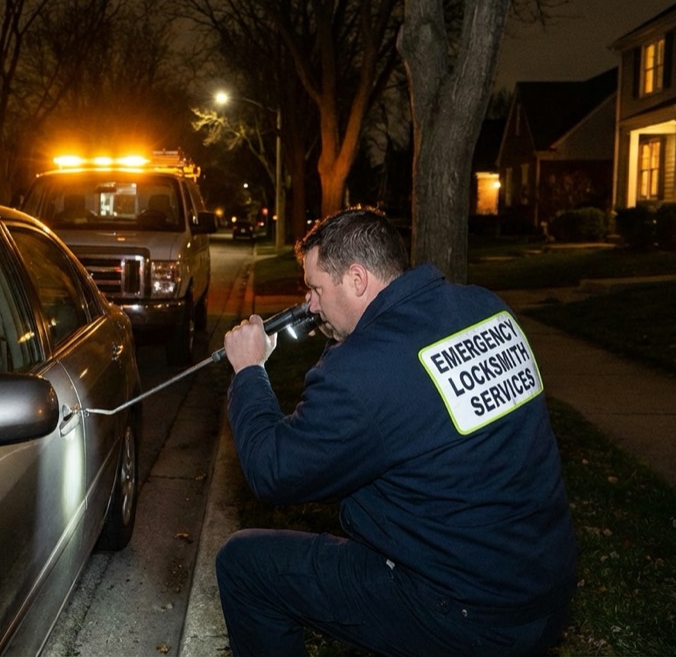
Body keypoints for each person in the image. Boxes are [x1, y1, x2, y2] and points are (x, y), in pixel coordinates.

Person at [218, 208, 576, 657]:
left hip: (469, 617)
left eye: (315, 288)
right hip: (543, 586)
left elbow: (273, 470)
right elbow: (402, 389)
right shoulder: (486, 307)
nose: (310, 304)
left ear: (356, 279)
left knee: (245, 565)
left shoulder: (362, 372)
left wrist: (249, 371)